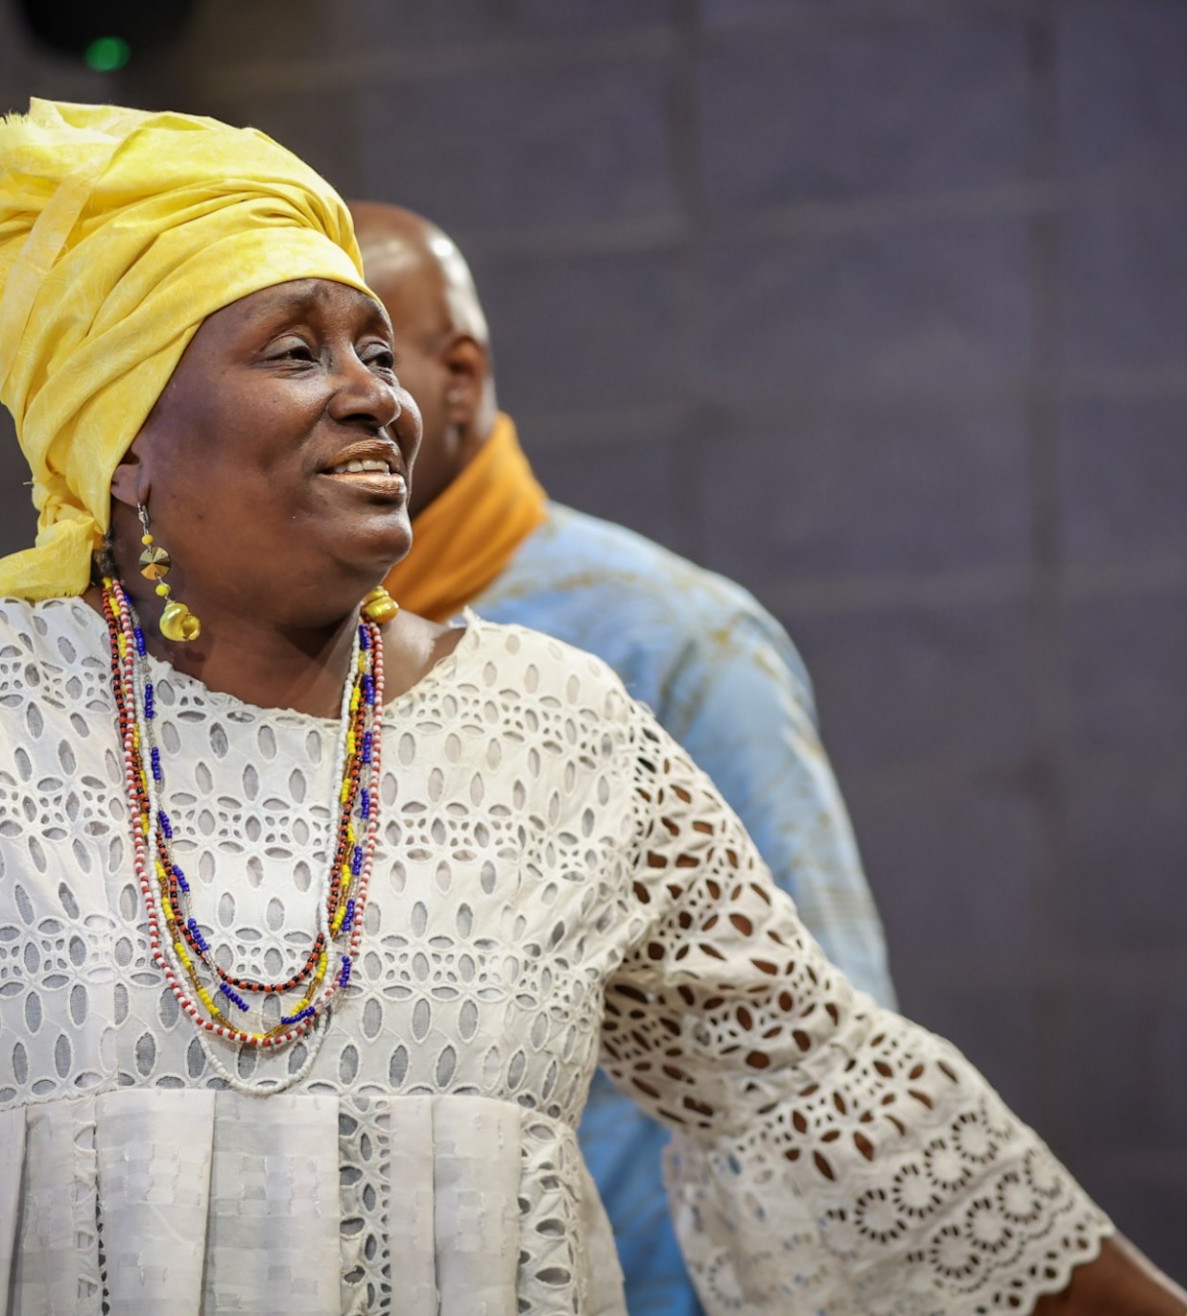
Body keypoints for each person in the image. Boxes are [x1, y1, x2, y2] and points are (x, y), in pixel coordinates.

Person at [0, 100, 1187, 1315]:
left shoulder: (566, 730)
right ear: (122, 443)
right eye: (294, 350)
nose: (373, 397)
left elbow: (849, 1104)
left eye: (377, 346)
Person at [353, 201, 896, 1315]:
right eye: (286, 356)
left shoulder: (675, 640)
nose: (330, 397)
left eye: (366, 352)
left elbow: (829, 1064)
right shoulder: (258, 665)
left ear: (458, 376)